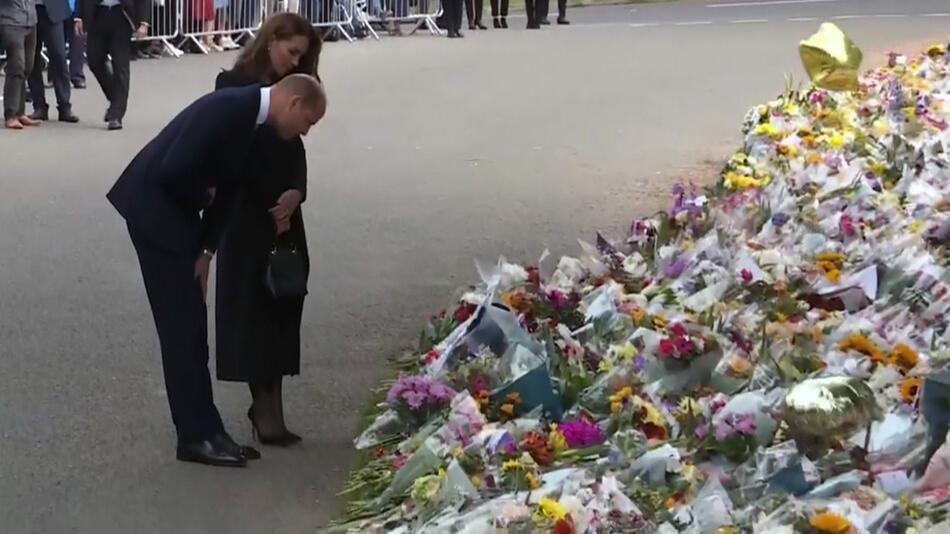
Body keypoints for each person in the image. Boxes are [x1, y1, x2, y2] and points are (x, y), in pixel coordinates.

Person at [107, 74, 326, 467]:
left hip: (175, 216)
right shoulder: (231, 109)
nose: (305, 133)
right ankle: (196, 437)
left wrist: (207, 250)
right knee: (182, 328)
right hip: (157, 212)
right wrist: (202, 196)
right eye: (307, 122)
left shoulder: (249, 119)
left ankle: (208, 432)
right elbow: (176, 169)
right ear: (293, 104)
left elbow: (230, 191)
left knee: (190, 327)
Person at [211, 12, 320, 446]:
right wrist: (263, 205)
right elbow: (230, 153)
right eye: (291, 52)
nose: (295, 62)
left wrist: (297, 192)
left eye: (302, 57)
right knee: (252, 308)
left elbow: (297, 146)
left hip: (285, 210)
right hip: (246, 212)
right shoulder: (234, 85)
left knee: (282, 302)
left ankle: (273, 403)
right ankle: (263, 406)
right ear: (272, 40)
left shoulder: (296, 87)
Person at [74, 0, 149, 130]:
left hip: (121, 14)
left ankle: (116, 115)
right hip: (97, 13)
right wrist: (79, 17)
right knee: (94, 60)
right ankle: (116, 99)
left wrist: (143, 22)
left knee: (120, 66)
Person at [28, 0, 79, 122]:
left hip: (53, 8)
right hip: (28, 8)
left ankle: (64, 106)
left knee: (59, 56)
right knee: (31, 59)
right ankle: (39, 106)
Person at [1, 0, 42, 129]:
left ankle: (20, 112)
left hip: (31, 20)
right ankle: (11, 115)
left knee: (27, 67)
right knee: (17, 66)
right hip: (10, 21)